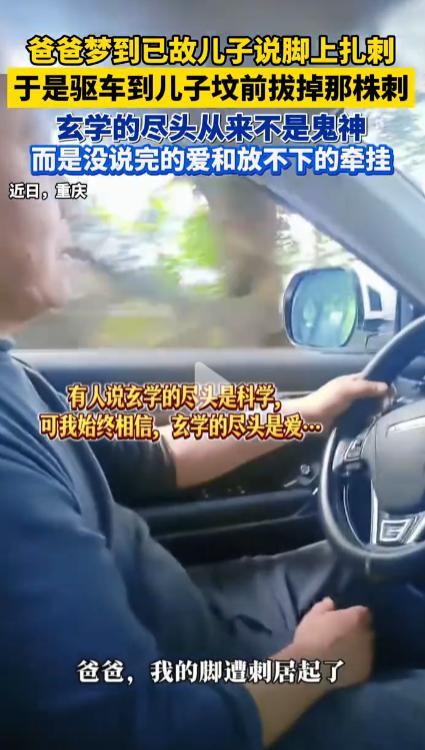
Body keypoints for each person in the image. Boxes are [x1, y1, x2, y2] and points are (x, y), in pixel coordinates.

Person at [1, 87, 425, 750]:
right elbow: (121, 733)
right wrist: (311, 667)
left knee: (384, 579)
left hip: (191, 622)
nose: (68, 199)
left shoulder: (14, 378)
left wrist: (307, 410)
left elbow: (157, 454)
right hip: (193, 701)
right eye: (35, 160)